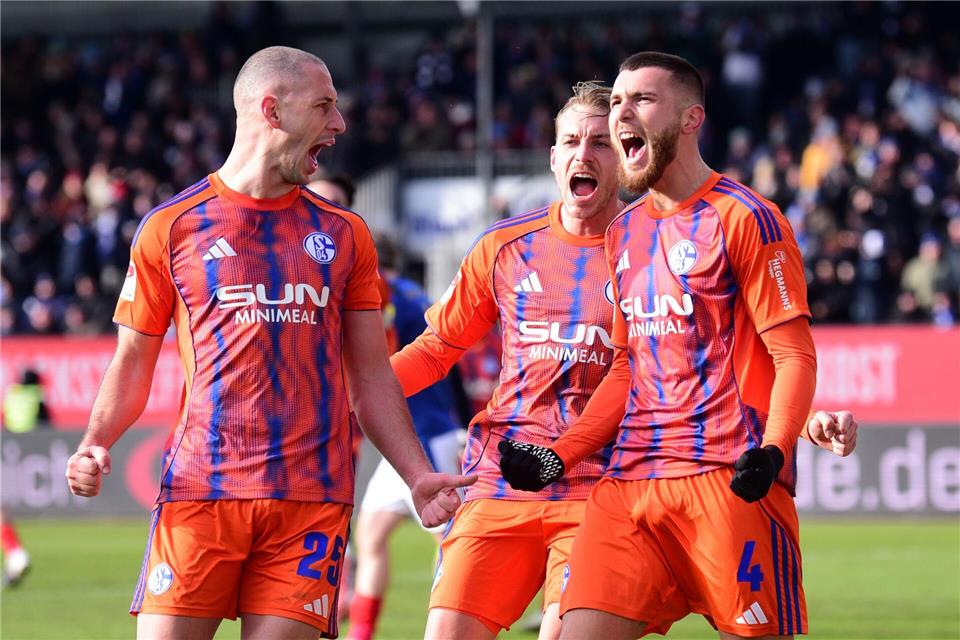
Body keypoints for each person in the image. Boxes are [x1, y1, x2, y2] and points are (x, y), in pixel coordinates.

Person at [392, 82, 857, 639]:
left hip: (601, 483)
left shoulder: (651, 239)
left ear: (624, 154)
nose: (583, 155)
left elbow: (703, 362)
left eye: (599, 143)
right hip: (502, 478)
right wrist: (343, 391)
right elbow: (437, 350)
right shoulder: (503, 246)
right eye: (570, 142)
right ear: (553, 157)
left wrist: (798, 423)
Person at [64, 46, 473, 640]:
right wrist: (96, 442)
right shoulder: (171, 228)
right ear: (271, 110)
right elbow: (134, 360)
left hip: (310, 502)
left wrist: (415, 475)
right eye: (325, 107)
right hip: (200, 493)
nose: (339, 125)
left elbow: (372, 376)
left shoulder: (345, 235)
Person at [498, 52, 826, 639]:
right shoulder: (623, 230)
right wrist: (560, 456)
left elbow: (794, 355)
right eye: (617, 101)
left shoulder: (748, 218)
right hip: (629, 487)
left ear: (691, 118)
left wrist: (774, 451)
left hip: (728, 481)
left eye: (641, 100)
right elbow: (628, 368)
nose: (622, 112)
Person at [1, 511, 30, 587]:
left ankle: (17, 573)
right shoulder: (8, 527)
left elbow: (3, 518)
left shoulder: (6, 528)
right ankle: (14, 578)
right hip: (13, 554)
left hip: (16, 553)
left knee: (12, 573)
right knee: (9, 574)